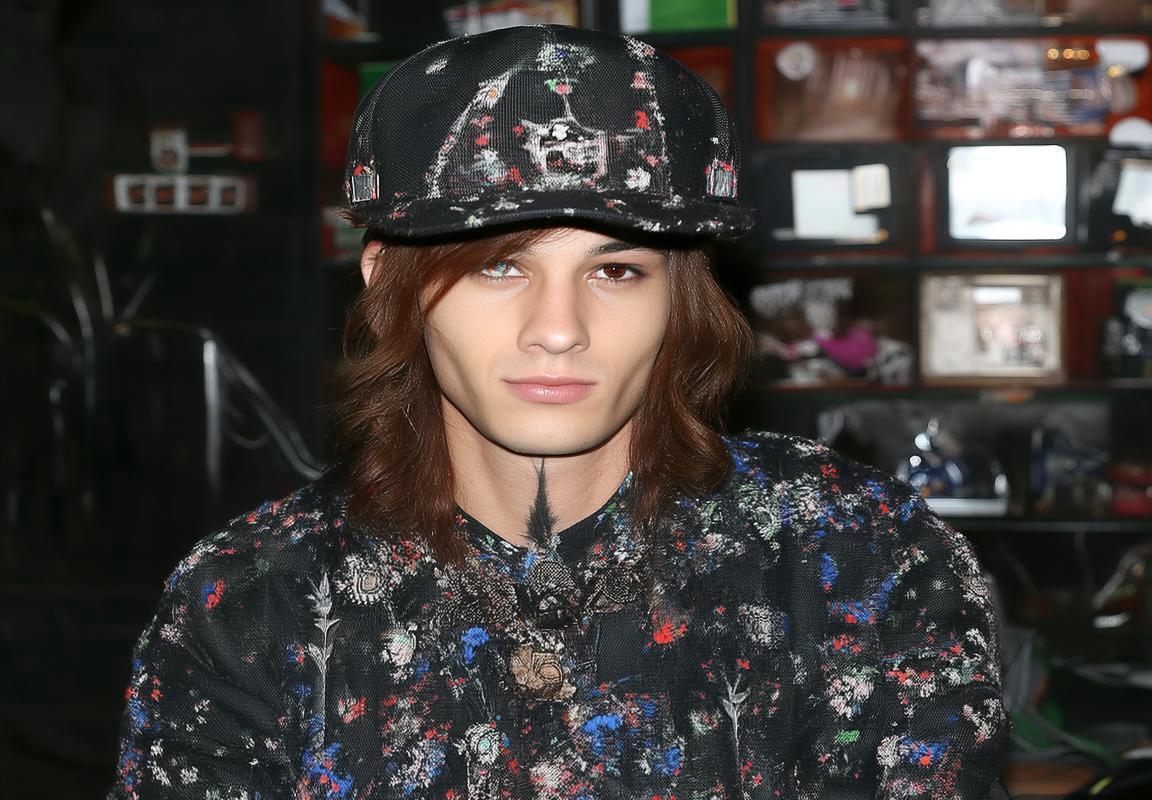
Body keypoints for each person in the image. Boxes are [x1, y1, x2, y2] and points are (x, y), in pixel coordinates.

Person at [108, 24, 1010, 799]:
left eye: (615, 270)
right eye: (498, 265)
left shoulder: (855, 560)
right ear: (387, 282)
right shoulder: (254, 602)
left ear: (680, 297)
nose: (557, 329)